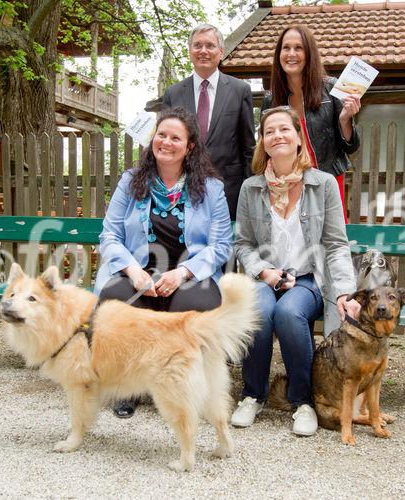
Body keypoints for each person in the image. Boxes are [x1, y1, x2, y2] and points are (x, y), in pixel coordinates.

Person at [94, 107, 233, 418]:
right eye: (161, 135)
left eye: (176, 138)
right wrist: (133, 271)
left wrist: (183, 273)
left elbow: (221, 245)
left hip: (188, 272)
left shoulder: (210, 188)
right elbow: (109, 236)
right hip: (139, 270)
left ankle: (184, 386)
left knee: (197, 300)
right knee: (115, 299)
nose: (166, 142)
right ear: (152, 139)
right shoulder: (131, 181)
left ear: (190, 147)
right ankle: (128, 386)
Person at [231, 106, 360, 435]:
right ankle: (253, 395)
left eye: (284, 129)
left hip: (309, 279)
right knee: (258, 308)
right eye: (269, 131)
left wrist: (345, 290)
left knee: (289, 313)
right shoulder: (251, 188)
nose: (277, 135)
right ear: (264, 142)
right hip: (267, 278)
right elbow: (243, 243)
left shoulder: (323, 184)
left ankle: (303, 402)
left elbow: (335, 244)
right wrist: (264, 272)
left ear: (298, 137)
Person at [261, 25, 361, 221]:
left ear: (309, 54)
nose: (291, 54)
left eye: (298, 48)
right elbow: (265, 149)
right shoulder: (271, 99)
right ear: (278, 54)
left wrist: (345, 119)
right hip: (286, 184)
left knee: (329, 241)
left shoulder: (331, 88)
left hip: (327, 180)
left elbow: (350, 146)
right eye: (286, 48)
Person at [162, 23, 256, 220]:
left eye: (210, 45)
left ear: (220, 52)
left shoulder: (240, 90)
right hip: (182, 192)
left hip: (229, 192)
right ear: (190, 51)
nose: (203, 51)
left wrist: (250, 193)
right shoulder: (173, 93)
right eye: (197, 45)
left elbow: (248, 148)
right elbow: (166, 146)